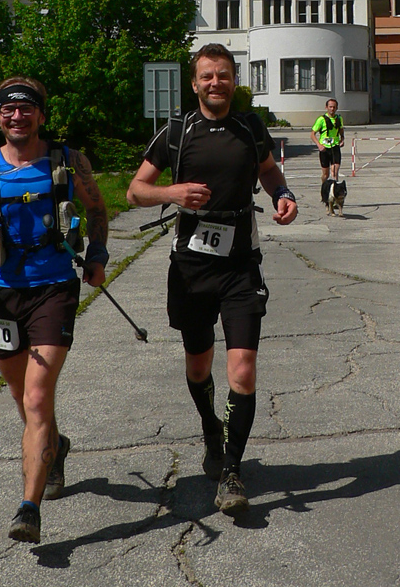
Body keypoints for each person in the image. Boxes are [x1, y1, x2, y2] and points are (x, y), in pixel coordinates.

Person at [126, 43, 298, 515]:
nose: (215, 83)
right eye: (207, 76)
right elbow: (135, 191)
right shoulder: (177, 131)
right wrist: (173, 192)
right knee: (199, 366)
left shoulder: (250, 127)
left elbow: (268, 171)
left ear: (234, 80)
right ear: (195, 83)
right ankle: (210, 429)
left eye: (223, 75)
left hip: (240, 264)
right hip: (192, 267)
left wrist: (282, 193)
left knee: (242, 369)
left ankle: (232, 471)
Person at [0, 77, 109, 544]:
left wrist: (97, 256)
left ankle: (28, 509)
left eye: (27, 108)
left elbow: (98, 211)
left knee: (36, 398)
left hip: (54, 289)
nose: (18, 116)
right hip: (1, 295)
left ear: (41, 115)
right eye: (9, 110)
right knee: (21, 398)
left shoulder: (69, 161)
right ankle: (55, 446)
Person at [310, 98, 344, 184]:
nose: (332, 109)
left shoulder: (339, 118)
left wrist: (342, 139)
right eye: (330, 107)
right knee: (326, 174)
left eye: (334, 107)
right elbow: (312, 134)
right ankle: (324, 186)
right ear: (326, 107)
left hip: (335, 147)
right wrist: (319, 145)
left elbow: (341, 130)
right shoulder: (321, 119)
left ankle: (334, 189)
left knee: (335, 172)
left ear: (337, 108)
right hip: (325, 149)